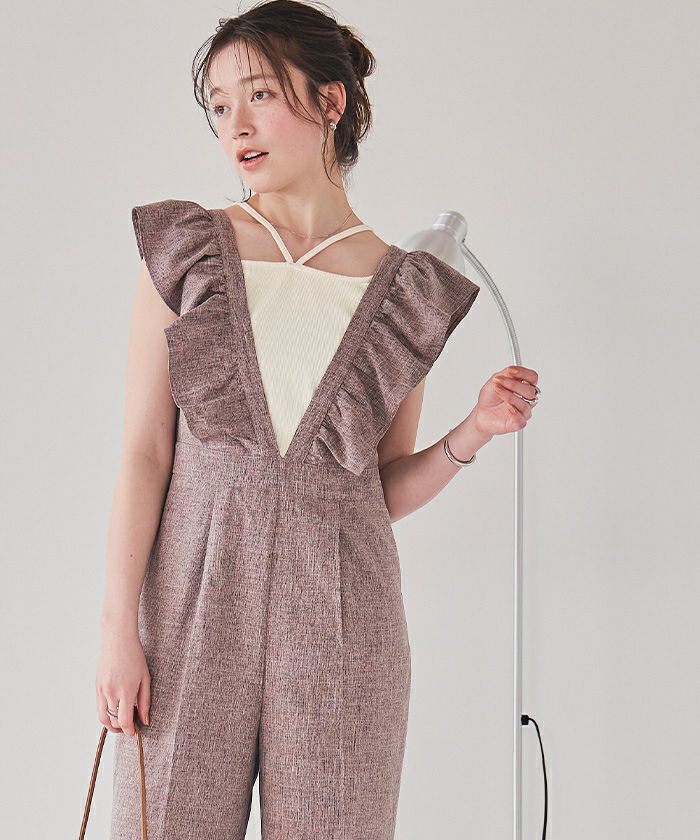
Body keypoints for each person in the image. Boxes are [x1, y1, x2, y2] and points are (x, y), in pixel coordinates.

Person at [96, 2, 540, 838]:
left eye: (260, 94)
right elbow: (144, 452)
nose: (236, 124)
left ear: (331, 101)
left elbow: (379, 489)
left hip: (345, 618)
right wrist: (119, 628)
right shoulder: (189, 251)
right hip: (191, 607)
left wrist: (474, 431)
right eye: (219, 105)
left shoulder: (406, 290)